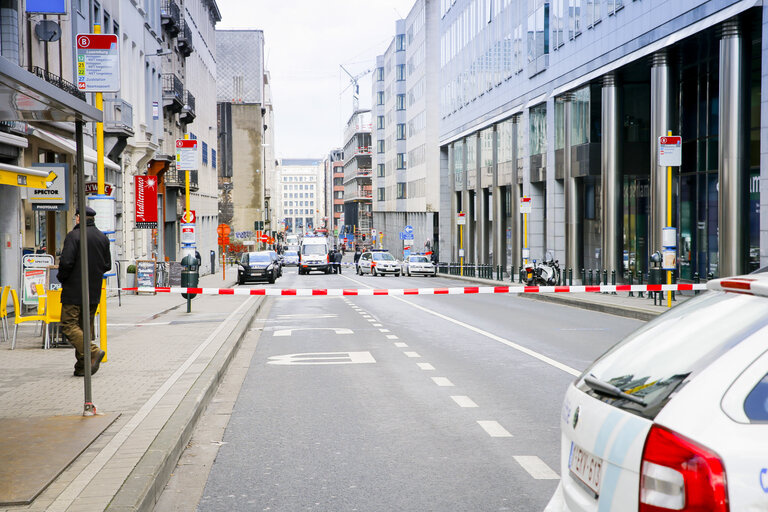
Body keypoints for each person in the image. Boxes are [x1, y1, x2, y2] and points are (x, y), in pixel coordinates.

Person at [57, 207, 111, 377]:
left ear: (79, 218)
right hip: (93, 292)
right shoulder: (102, 238)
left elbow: (66, 262)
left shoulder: (74, 236)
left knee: (68, 325)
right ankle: (83, 367)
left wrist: (62, 277)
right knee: (84, 328)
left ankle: (93, 351)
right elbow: (107, 265)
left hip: (74, 291)